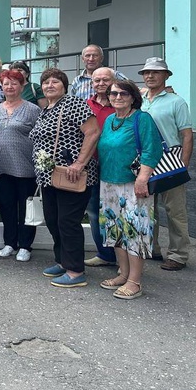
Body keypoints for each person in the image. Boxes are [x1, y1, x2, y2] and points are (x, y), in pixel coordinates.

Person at [30, 68, 100, 288]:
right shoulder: (47, 109)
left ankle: (75, 271)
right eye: (46, 82)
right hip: (50, 176)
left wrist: (79, 163)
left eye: (55, 82)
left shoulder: (74, 104)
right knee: (53, 219)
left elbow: (93, 132)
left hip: (71, 175)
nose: (49, 85)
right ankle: (62, 260)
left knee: (68, 222)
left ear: (65, 86)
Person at [96, 79, 161, 300]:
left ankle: (135, 281)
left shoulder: (142, 119)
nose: (117, 97)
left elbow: (152, 150)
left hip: (133, 184)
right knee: (115, 229)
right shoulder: (110, 120)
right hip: (109, 182)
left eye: (123, 94)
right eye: (113, 94)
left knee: (134, 230)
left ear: (133, 97)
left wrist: (143, 179)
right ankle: (123, 274)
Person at [139, 57, 193, 271]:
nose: (150, 75)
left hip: (170, 160)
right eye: (146, 72)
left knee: (175, 211)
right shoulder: (139, 100)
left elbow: (187, 135)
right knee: (147, 209)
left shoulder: (176, 102)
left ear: (166, 76)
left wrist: (183, 165)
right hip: (144, 161)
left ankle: (178, 255)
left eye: (156, 72)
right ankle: (151, 248)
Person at [0, 69, 41, 262]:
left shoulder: (32, 110)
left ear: (22, 86)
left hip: (25, 167)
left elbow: (40, 138)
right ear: (2, 86)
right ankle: (10, 243)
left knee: (26, 208)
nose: (10, 87)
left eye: (14, 83)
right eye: (6, 83)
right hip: (0, 166)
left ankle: (25, 245)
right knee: (6, 206)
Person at [83, 67, 118, 267]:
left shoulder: (121, 103)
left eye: (106, 80)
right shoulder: (85, 105)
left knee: (117, 211)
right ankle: (104, 254)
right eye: (97, 80)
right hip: (92, 164)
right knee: (95, 211)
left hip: (116, 165)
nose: (101, 83)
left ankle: (122, 257)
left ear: (113, 81)